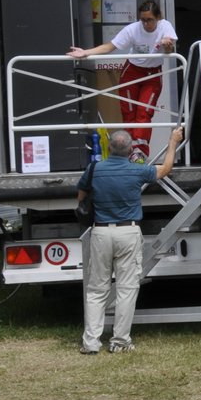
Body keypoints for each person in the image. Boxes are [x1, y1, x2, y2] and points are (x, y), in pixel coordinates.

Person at [77, 125, 184, 354]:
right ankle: (120, 341)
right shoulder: (137, 170)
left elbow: (81, 196)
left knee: (97, 289)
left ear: (109, 148)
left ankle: (91, 343)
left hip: (101, 232)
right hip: (128, 232)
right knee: (126, 289)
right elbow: (165, 168)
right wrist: (173, 141)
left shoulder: (94, 168)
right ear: (130, 150)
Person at [67, 0, 178, 163]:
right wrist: (85, 53)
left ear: (158, 18)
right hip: (132, 71)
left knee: (144, 112)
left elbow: (170, 51)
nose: (146, 24)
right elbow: (110, 47)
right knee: (129, 112)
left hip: (152, 74)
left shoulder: (165, 26)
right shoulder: (133, 29)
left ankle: (140, 152)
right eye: (143, 20)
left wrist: (167, 45)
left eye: (150, 20)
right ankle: (130, 150)